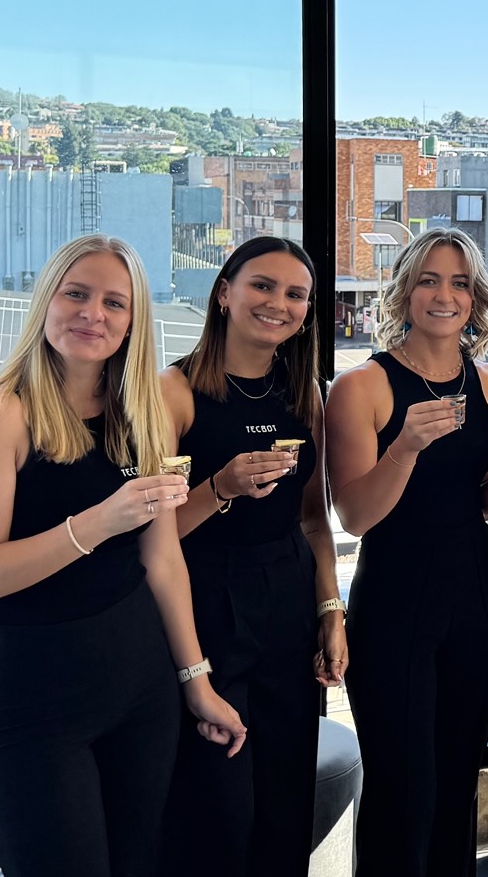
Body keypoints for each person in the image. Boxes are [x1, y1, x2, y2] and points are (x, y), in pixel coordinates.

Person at [0, 234, 246, 877]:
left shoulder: (142, 416)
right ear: (46, 300)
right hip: (33, 701)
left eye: (114, 302)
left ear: (135, 321)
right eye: (75, 294)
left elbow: (162, 562)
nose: (92, 314)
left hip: (141, 691)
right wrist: (97, 524)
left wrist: (198, 682)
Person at [326, 228, 488, 876]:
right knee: (404, 792)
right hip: (394, 599)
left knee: (458, 784)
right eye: (429, 279)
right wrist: (403, 448)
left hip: (474, 594)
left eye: (459, 282)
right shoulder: (362, 387)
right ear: (404, 290)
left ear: (475, 298)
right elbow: (357, 513)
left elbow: (481, 501)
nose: (444, 294)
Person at [158, 236, 345, 877]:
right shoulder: (176, 392)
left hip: (288, 597)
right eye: (262, 286)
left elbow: (315, 520)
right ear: (224, 292)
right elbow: (151, 538)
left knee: (285, 797)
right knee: (217, 800)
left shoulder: (304, 391)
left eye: (295, 294)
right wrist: (221, 488)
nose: (278, 304)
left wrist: (330, 608)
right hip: (205, 600)